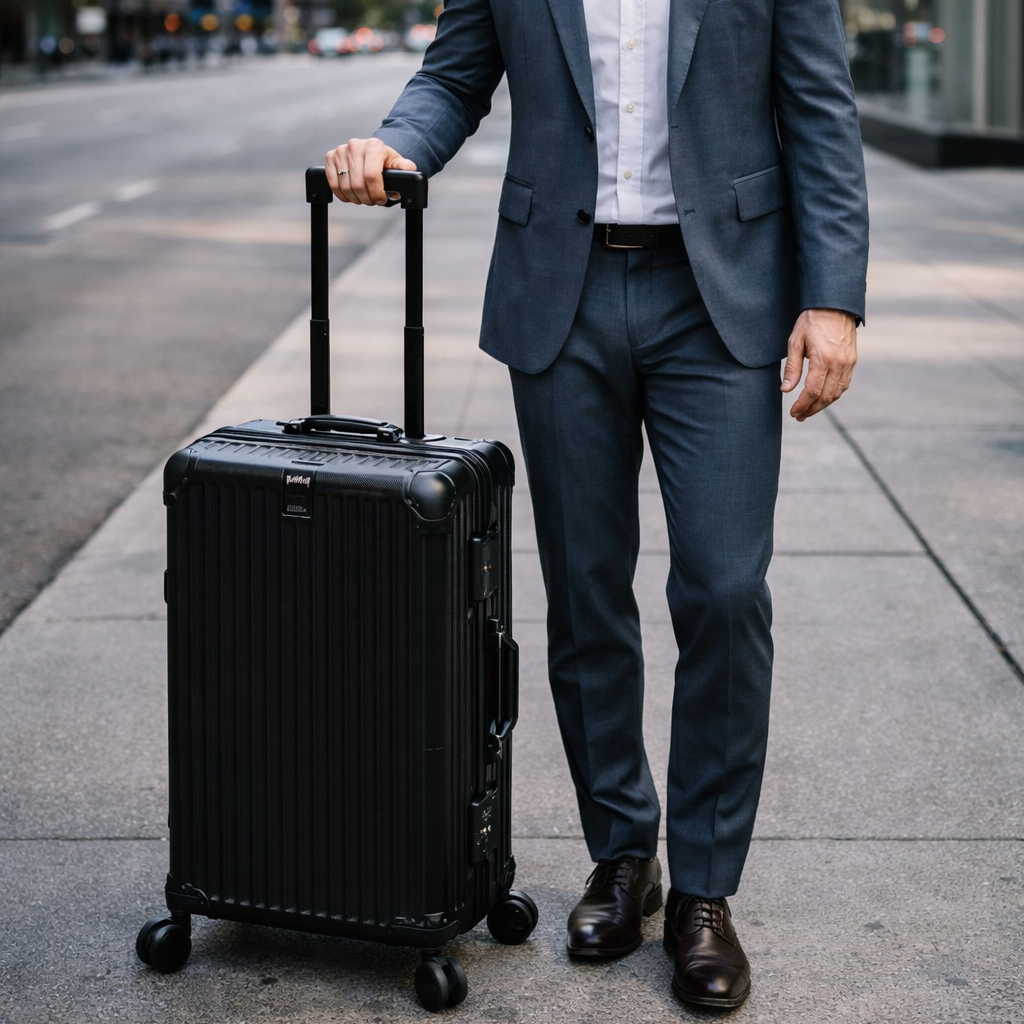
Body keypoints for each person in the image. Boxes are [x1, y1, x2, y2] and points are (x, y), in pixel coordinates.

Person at [326, 0, 867, 1009]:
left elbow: (821, 111)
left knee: (722, 589)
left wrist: (832, 297)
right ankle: (623, 857)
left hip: (721, 295)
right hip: (559, 290)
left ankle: (705, 888)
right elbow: (454, 77)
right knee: (583, 594)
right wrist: (394, 146)